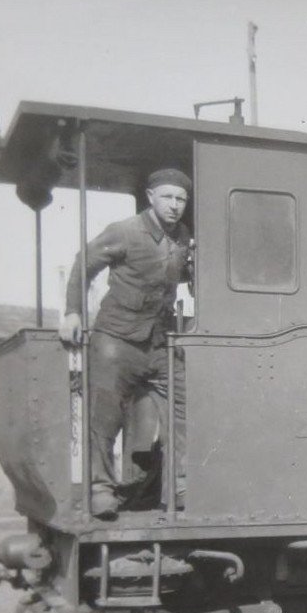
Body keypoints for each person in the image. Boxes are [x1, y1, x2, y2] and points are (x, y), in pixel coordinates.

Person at [59, 168, 194, 519]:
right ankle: (101, 489)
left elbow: (180, 274)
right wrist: (73, 313)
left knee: (186, 404)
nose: (175, 205)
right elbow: (82, 264)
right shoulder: (125, 231)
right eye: (167, 197)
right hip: (116, 338)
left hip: (159, 343)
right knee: (105, 415)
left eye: (181, 199)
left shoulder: (182, 237)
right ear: (150, 197)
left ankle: (179, 483)